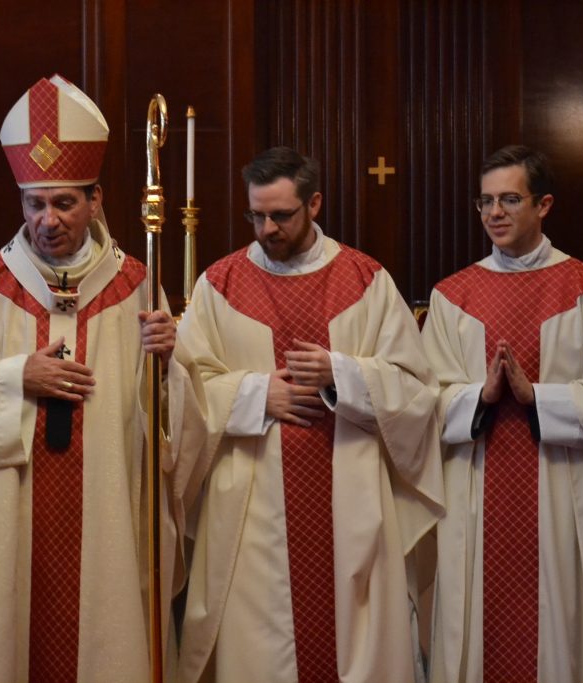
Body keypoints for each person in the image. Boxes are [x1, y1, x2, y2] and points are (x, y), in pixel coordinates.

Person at [0, 74, 188, 682]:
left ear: (96, 201)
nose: (49, 219)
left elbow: (173, 419)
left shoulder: (136, 283)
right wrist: (14, 378)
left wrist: (169, 359)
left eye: (64, 203)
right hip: (7, 517)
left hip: (111, 512)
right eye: (36, 205)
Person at [174, 146, 444, 682]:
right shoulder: (218, 285)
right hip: (250, 505)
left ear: (314, 203)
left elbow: (417, 391)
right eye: (256, 215)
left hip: (350, 495)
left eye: (281, 215)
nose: (266, 228)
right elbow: (184, 389)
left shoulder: (367, 281)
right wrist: (254, 395)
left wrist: (340, 374)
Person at [422, 144, 583, 682]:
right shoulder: (451, 297)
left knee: (561, 633)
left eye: (509, 199)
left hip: (565, 496)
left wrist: (538, 399)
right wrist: (479, 397)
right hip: (474, 490)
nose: (494, 213)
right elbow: (423, 404)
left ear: (544, 204)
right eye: (484, 202)